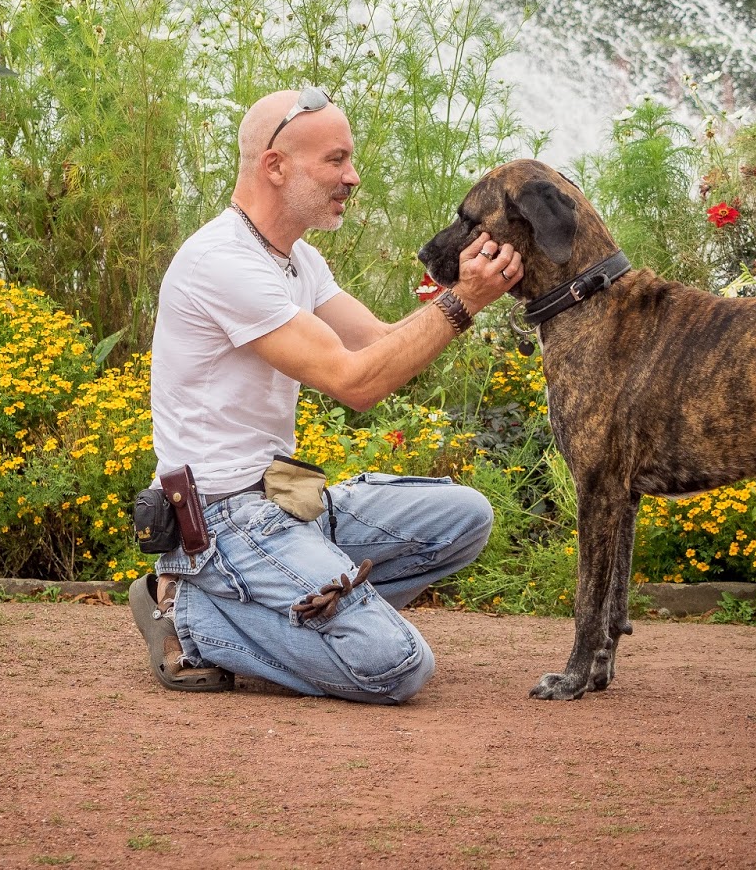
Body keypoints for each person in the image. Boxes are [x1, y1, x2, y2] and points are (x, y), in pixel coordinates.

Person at [129, 87, 522, 704]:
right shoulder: (220, 262)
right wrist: (463, 302)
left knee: (466, 517)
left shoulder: (299, 261)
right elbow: (355, 381)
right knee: (395, 668)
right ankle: (190, 614)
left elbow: (382, 344)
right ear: (275, 165)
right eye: (336, 161)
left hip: (286, 501)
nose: (352, 177)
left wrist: (463, 284)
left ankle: (303, 614)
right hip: (225, 522)